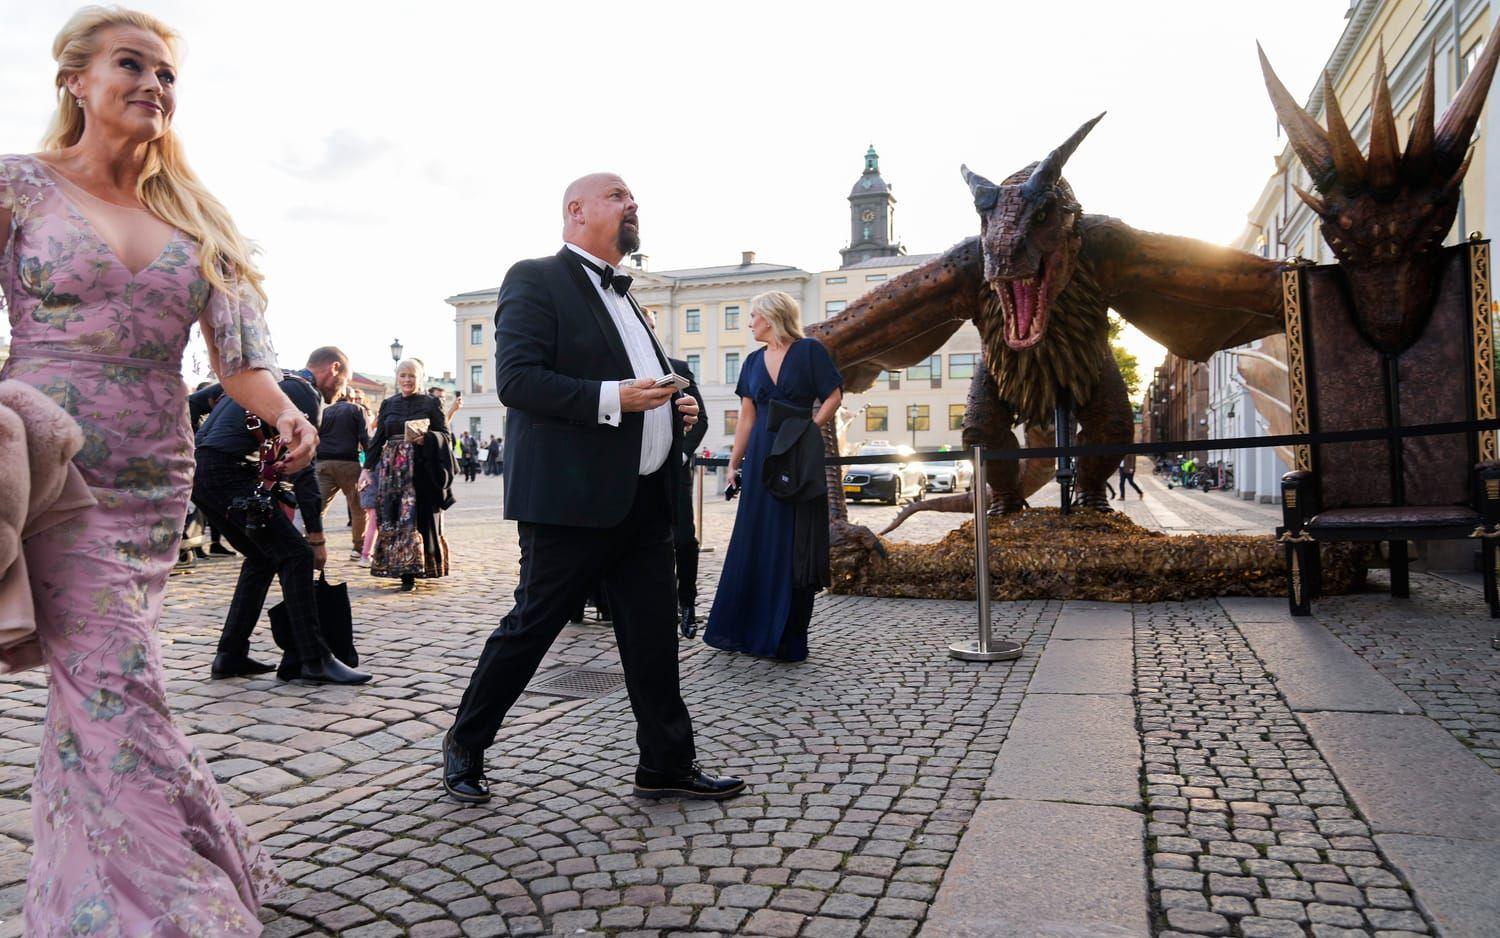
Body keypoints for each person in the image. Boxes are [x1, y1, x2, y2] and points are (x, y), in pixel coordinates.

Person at [0, 7, 291, 929]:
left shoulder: (197, 216)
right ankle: (183, 902)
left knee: (94, 696)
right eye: (133, 65)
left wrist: (283, 411)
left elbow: (241, 362)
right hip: (51, 466)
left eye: (167, 75)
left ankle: (80, 902)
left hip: (153, 478)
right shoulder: (16, 187)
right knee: (117, 680)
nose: (154, 86)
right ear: (75, 81)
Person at [443, 172, 744, 805]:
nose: (633, 204)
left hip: (643, 499)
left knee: (653, 634)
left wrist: (676, 411)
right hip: (571, 498)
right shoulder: (533, 277)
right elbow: (518, 382)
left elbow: (649, 386)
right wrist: (621, 397)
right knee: (532, 626)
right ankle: (466, 743)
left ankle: (665, 763)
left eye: (633, 199)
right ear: (576, 211)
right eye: (619, 196)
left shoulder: (631, 300)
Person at [194, 347, 371, 686]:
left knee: (262, 558)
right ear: (333, 370)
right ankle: (314, 659)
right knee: (297, 554)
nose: (341, 391)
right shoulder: (305, 395)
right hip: (230, 473)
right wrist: (316, 538)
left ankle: (230, 653)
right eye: (343, 381)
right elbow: (304, 471)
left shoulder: (269, 381)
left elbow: (194, 405)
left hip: (203, 473)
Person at [704, 292, 843, 662]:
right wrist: (735, 464)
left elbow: (833, 395)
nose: (749, 323)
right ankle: (746, 631)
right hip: (763, 457)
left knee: (792, 541)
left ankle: (785, 636)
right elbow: (746, 418)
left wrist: (810, 429)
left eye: (752, 315)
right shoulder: (751, 362)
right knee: (756, 538)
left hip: (798, 455)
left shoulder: (810, 351)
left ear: (770, 316)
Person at [363, 358, 455, 591]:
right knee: (395, 518)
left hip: (420, 470)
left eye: (412, 375)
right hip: (392, 472)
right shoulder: (388, 404)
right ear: (397, 377)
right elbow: (378, 439)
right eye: (403, 375)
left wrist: (429, 439)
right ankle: (401, 570)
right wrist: (366, 469)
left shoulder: (432, 403)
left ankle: (415, 571)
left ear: (420, 377)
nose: (407, 380)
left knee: (415, 518)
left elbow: (446, 435)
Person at [670, 357, 708, 636]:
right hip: (632, 474)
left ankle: (687, 605)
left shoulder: (678, 368)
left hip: (676, 472)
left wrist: (681, 455)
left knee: (684, 539)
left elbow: (701, 419)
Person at [316, 388, 371, 558]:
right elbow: (365, 437)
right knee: (358, 509)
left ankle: (311, 542)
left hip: (323, 463)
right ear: (353, 398)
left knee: (318, 507)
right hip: (348, 464)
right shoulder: (357, 410)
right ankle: (358, 548)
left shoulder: (325, 411)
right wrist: (370, 463)